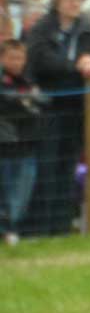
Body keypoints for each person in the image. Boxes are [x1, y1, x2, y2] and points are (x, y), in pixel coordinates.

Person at [25, 0, 90, 235]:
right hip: (49, 108)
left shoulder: (86, 28)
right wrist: (76, 65)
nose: (75, 4)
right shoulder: (42, 28)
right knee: (47, 167)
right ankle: (40, 227)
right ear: (58, 3)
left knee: (67, 167)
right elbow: (42, 61)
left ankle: (60, 226)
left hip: (77, 109)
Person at [0, 39, 43, 245]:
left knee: (22, 191)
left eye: (20, 58)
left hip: (27, 144)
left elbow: (42, 103)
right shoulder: (3, 82)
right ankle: (5, 229)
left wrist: (27, 102)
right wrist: (26, 102)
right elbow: (14, 106)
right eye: (12, 58)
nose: (17, 62)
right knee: (6, 190)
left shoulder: (26, 81)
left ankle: (12, 229)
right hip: (7, 146)